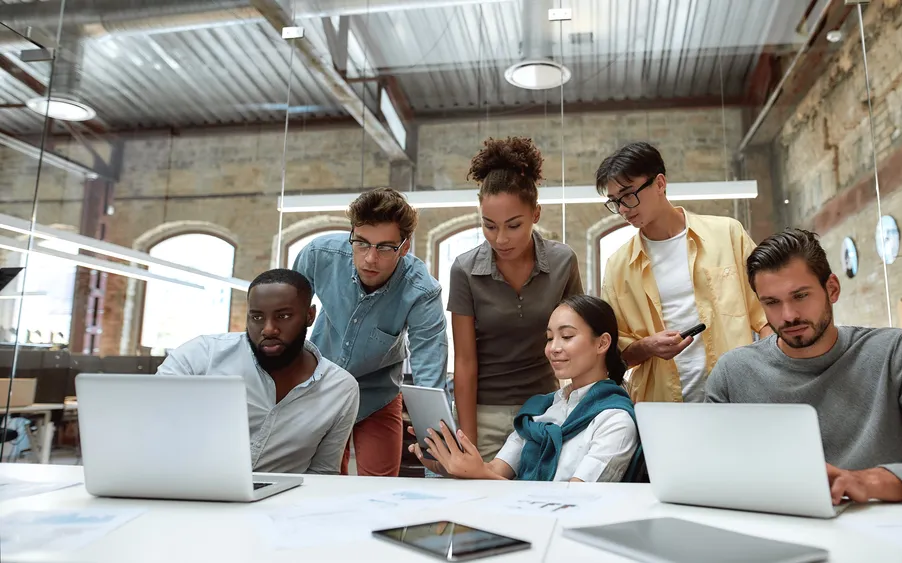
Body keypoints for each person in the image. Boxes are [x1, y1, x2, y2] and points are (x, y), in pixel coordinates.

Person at [707, 228, 902, 505]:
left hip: (882, 530)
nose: (788, 316)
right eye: (772, 302)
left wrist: (864, 482)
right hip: (775, 530)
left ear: (831, 289)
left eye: (800, 296)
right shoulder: (733, 373)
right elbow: (708, 473)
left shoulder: (895, 352)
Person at [596, 141, 771, 404]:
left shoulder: (727, 235)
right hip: (663, 407)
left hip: (739, 395)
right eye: (615, 201)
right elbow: (612, 356)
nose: (623, 209)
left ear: (660, 183)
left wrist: (769, 372)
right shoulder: (618, 267)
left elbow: (768, 315)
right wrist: (647, 346)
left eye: (629, 195)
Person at [292, 188, 448, 477]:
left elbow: (430, 381)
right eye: (362, 243)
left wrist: (438, 472)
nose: (370, 259)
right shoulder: (318, 255)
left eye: (385, 247)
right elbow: (288, 320)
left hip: (378, 394)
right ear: (351, 233)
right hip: (321, 386)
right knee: (319, 483)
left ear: (404, 246)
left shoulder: (422, 292)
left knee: (380, 488)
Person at [449, 136, 584, 461]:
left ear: (535, 214)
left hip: (545, 409)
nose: (501, 238)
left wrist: (582, 410)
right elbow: (465, 363)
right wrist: (468, 440)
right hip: (483, 413)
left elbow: (579, 341)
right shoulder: (464, 270)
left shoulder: (563, 262)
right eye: (489, 225)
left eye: (513, 225)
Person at [410, 295, 639, 482]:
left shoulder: (615, 421)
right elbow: (494, 472)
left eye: (567, 336)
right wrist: (446, 464)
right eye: (549, 338)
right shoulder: (540, 410)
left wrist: (481, 474)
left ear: (602, 343)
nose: (553, 348)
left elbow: (573, 500)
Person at [156, 269, 359, 475]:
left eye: (283, 316)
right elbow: (150, 431)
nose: (268, 329)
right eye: (257, 317)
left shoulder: (340, 388)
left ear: (309, 315)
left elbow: (323, 472)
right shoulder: (200, 358)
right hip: (192, 491)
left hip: (281, 503)